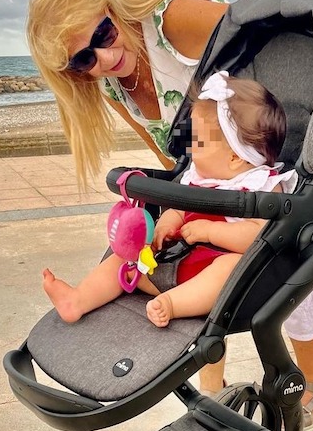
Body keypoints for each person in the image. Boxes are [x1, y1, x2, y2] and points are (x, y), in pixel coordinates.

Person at [27, 0, 313, 431]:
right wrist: (179, 198)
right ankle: (205, 380)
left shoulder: (175, 16)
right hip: (205, 177)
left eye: (104, 35)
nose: (105, 58)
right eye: (82, 60)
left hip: (246, 154)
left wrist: (266, 159)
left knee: (282, 261)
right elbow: (170, 151)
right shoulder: (110, 81)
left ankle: (311, 378)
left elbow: (261, 57)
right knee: (126, 256)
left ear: (111, 8)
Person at [43, 72, 290, 327]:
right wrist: (166, 224)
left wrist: (211, 231)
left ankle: (172, 304)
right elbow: (180, 210)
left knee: (232, 266)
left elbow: (258, 237)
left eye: (198, 141)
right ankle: (78, 299)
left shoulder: (262, 186)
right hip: (171, 264)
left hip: (210, 278)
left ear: (235, 157)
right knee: (125, 257)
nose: (191, 147)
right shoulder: (200, 176)